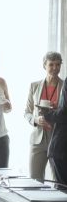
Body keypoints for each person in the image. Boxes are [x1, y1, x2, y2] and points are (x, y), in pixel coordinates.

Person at [24, 52, 63, 182]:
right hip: (38, 140)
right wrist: (36, 120)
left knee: (59, 182)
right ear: (44, 66)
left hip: (58, 139)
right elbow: (27, 112)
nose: (55, 68)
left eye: (58, 64)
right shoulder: (34, 86)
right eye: (51, 64)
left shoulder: (65, 87)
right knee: (34, 180)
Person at [40, 70, 67, 184]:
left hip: (62, 147)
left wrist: (46, 114)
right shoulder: (35, 85)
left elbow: (64, 114)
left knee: (62, 191)